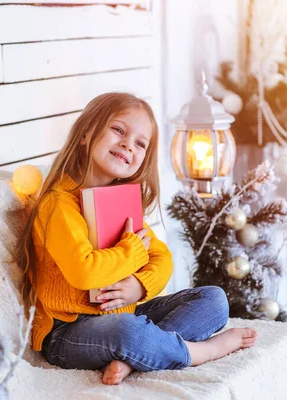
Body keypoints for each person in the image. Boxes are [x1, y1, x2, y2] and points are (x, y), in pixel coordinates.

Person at [16, 92, 257, 386]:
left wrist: (139, 287)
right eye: (118, 130)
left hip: (122, 313)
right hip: (68, 330)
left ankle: (134, 357)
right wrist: (131, 251)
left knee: (213, 300)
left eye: (140, 143)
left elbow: (162, 259)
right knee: (127, 330)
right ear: (86, 133)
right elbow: (85, 271)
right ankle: (197, 352)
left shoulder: (120, 204)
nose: (128, 144)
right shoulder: (59, 204)